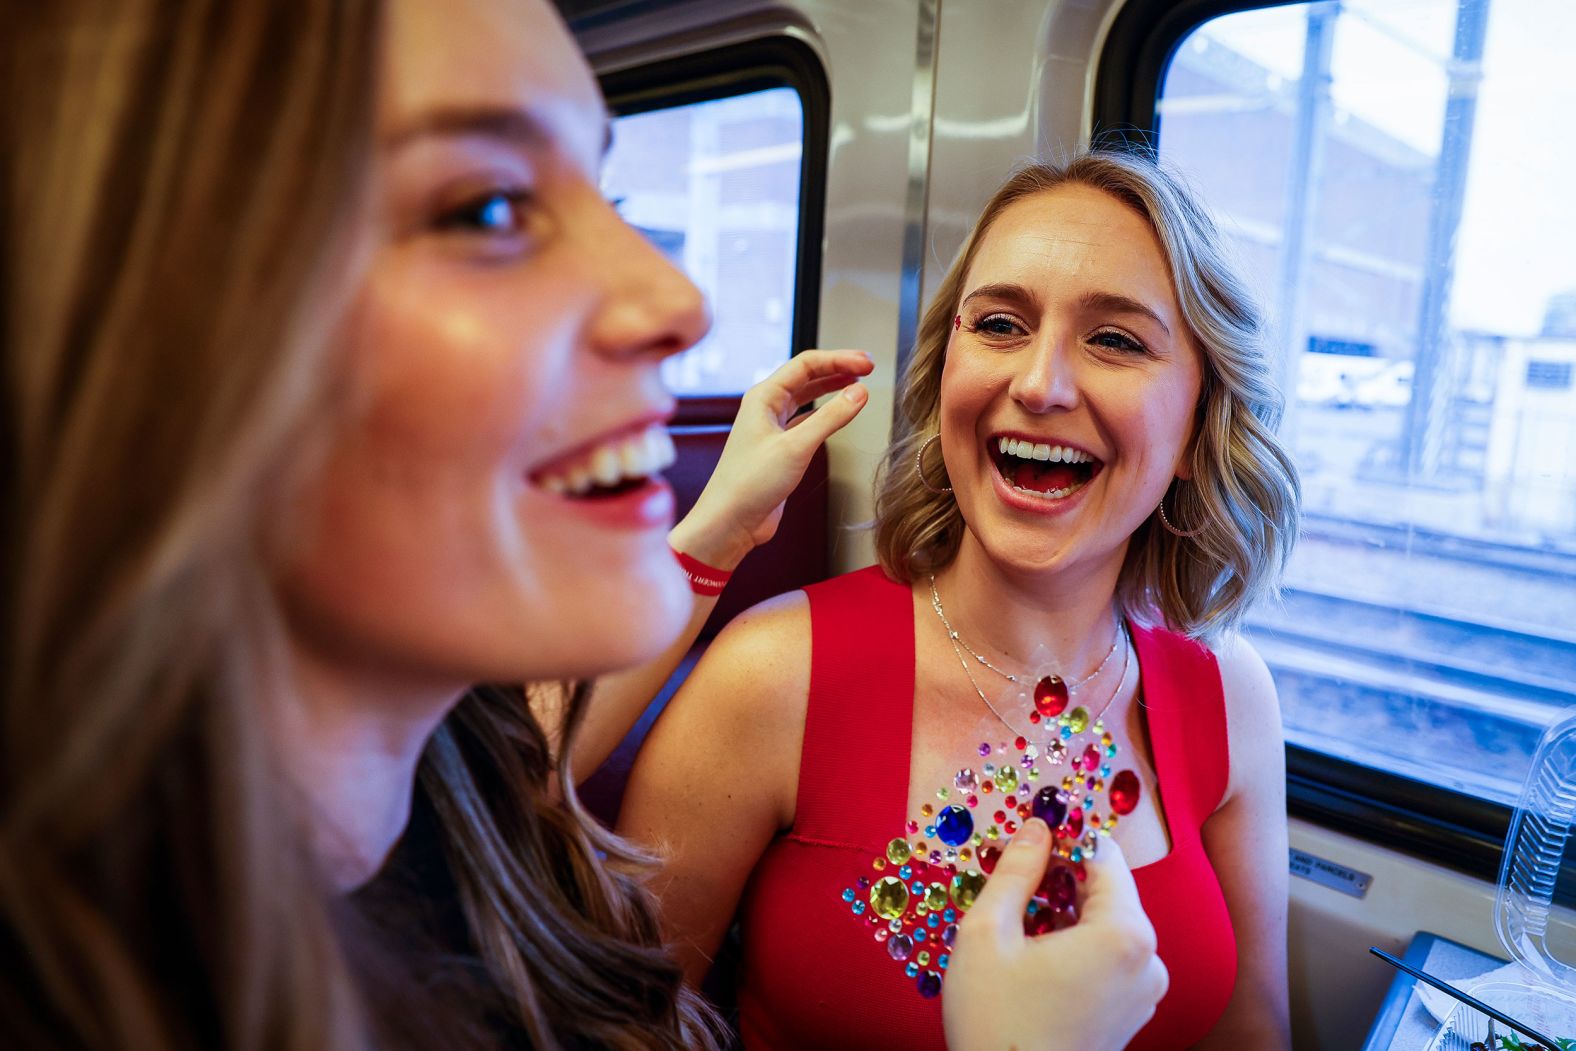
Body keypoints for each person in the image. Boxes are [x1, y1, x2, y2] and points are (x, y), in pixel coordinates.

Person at [1, 2, 1167, 1049]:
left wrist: (711, 536)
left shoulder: (447, 802)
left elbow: (528, 745)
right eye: (491, 205)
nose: (680, 300)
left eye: (600, 199)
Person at [619, 150, 1301, 1048]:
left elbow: (1255, 1029)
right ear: (946, 377)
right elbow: (623, 1026)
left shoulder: (1228, 690)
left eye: (1116, 339)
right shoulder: (773, 674)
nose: (1041, 384)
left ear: (1194, 426)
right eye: (1000, 325)